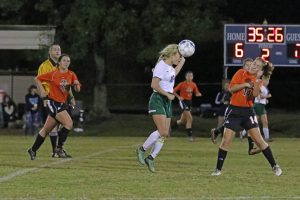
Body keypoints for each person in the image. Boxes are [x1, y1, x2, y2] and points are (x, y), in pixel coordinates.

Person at [211, 57, 281, 176]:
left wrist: (256, 80)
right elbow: (232, 89)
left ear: (260, 70)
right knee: (226, 141)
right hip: (234, 110)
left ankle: (275, 166)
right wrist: (245, 84)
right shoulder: (240, 73)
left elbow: (253, 95)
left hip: (248, 112)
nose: (254, 66)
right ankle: (218, 170)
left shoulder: (258, 81)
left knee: (259, 140)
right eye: (254, 63)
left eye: (257, 66)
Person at [136, 44, 185, 172]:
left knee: (165, 134)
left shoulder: (169, 67)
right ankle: (141, 149)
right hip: (158, 98)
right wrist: (167, 94)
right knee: (162, 131)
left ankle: (151, 158)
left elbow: (174, 73)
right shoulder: (161, 66)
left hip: (166, 100)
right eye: (178, 56)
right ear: (172, 55)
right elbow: (154, 85)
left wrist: (183, 60)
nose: (179, 59)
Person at [27, 54, 81, 160]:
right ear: (59, 62)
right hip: (53, 103)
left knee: (46, 130)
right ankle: (59, 148)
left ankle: (32, 150)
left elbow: (77, 89)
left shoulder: (71, 74)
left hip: (63, 103)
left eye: (68, 61)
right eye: (64, 60)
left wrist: (76, 86)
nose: (66, 62)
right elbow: (37, 78)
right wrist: (42, 91)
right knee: (68, 123)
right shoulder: (53, 74)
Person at [37, 44, 75, 157]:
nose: (58, 51)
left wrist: (71, 97)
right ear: (50, 52)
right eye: (55, 49)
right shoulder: (44, 66)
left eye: (59, 49)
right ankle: (56, 151)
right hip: (50, 99)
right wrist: (44, 98)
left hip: (62, 99)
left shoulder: (62, 66)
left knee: (54, 126)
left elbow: (67, 83)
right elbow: (41, 82)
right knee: (55, 125)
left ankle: (56, 150)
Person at [210, 58, 253, 144]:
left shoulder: (251, 77)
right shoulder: (240, 73)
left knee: (240, 125)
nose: (249, 67)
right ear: (243, 66)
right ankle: (251, 147)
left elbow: (249, 94)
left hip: (245, 107)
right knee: (235, 125)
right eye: (247, 65)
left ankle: (217, 131)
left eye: (251, 65)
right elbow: (231, 89)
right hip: (235, 106)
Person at [173, 71, 202, 141]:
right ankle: (190, 136)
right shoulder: (182, 84)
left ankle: (170, 128)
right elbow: (173, 91)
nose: (190, 77)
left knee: (182, 121)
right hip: (183, 102)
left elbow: (197, 92)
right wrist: (179, 97)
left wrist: (198, 94)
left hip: (189, 102)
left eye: (191, 76)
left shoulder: (193, 84)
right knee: (190, 118)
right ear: (185, 77)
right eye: (188, 76)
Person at [254, 75, 273, 142]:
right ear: (263, 79)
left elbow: (262, 98)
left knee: (257, 122)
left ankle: (266, 138)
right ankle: (265, 138)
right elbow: (259, 97)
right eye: (267, 80)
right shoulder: (260, 86)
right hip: (258, 105)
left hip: (261, 105)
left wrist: (266, 100)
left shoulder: (264, 87)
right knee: (259, 122)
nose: (268, 82)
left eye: (269, 80)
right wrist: (268, 96)